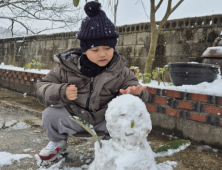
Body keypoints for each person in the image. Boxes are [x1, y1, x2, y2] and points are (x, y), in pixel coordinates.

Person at [36, 1, 149, 162]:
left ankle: (111, 146)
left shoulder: (121, 70)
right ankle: (58, 142)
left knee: (130, 117)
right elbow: (41, 87)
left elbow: (136, 87)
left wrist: (134, 93)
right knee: (50, 114)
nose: (102, 54)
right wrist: (61, 91)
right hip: (75, 119)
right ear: (84, 50)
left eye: (108, 49)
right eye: (95, 50)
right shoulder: (66, 68)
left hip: (105, 121)